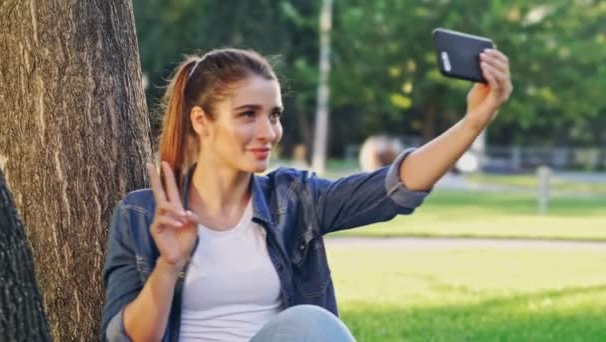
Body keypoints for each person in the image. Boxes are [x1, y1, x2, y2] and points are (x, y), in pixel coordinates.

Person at [101, 48, 512, 341]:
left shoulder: (293, 199)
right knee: (310, 325)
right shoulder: (142, 214)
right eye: (248, 115)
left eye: (274, 115)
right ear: (201, 120)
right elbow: (131, 337)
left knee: (307, 325)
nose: (269, 132)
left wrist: (475, 120)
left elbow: (392, 187)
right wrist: (169, 265)